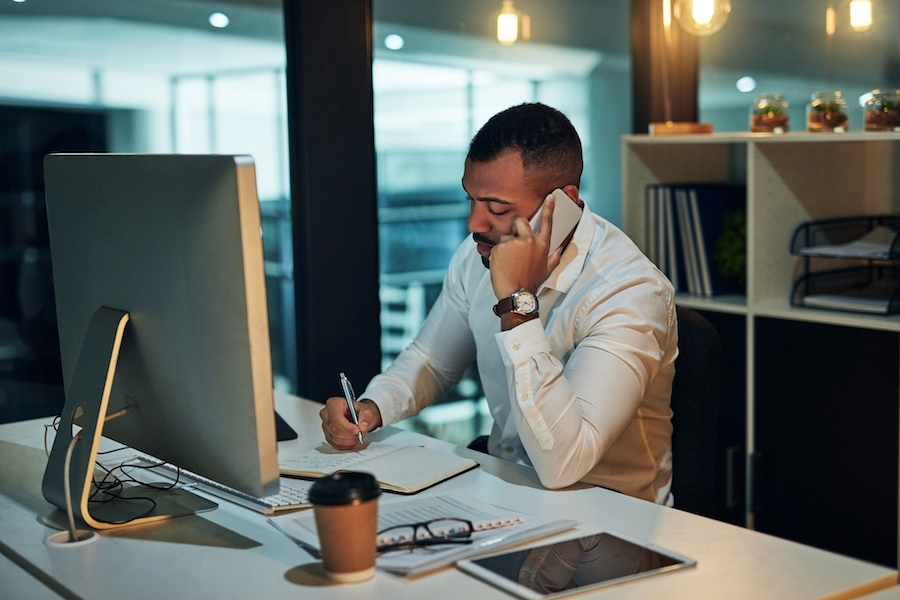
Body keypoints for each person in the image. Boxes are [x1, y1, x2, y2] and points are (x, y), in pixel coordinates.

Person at [320, 102, 677, 505]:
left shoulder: (628, 291)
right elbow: (432, 361)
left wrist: (517, 304)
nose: (474, 224)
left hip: (614, 519)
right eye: (471, 199)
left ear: (561, 204)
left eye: (497, 208)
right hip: (507, 492)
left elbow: (564, 463)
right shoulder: (479, 256)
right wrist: (370, 407)